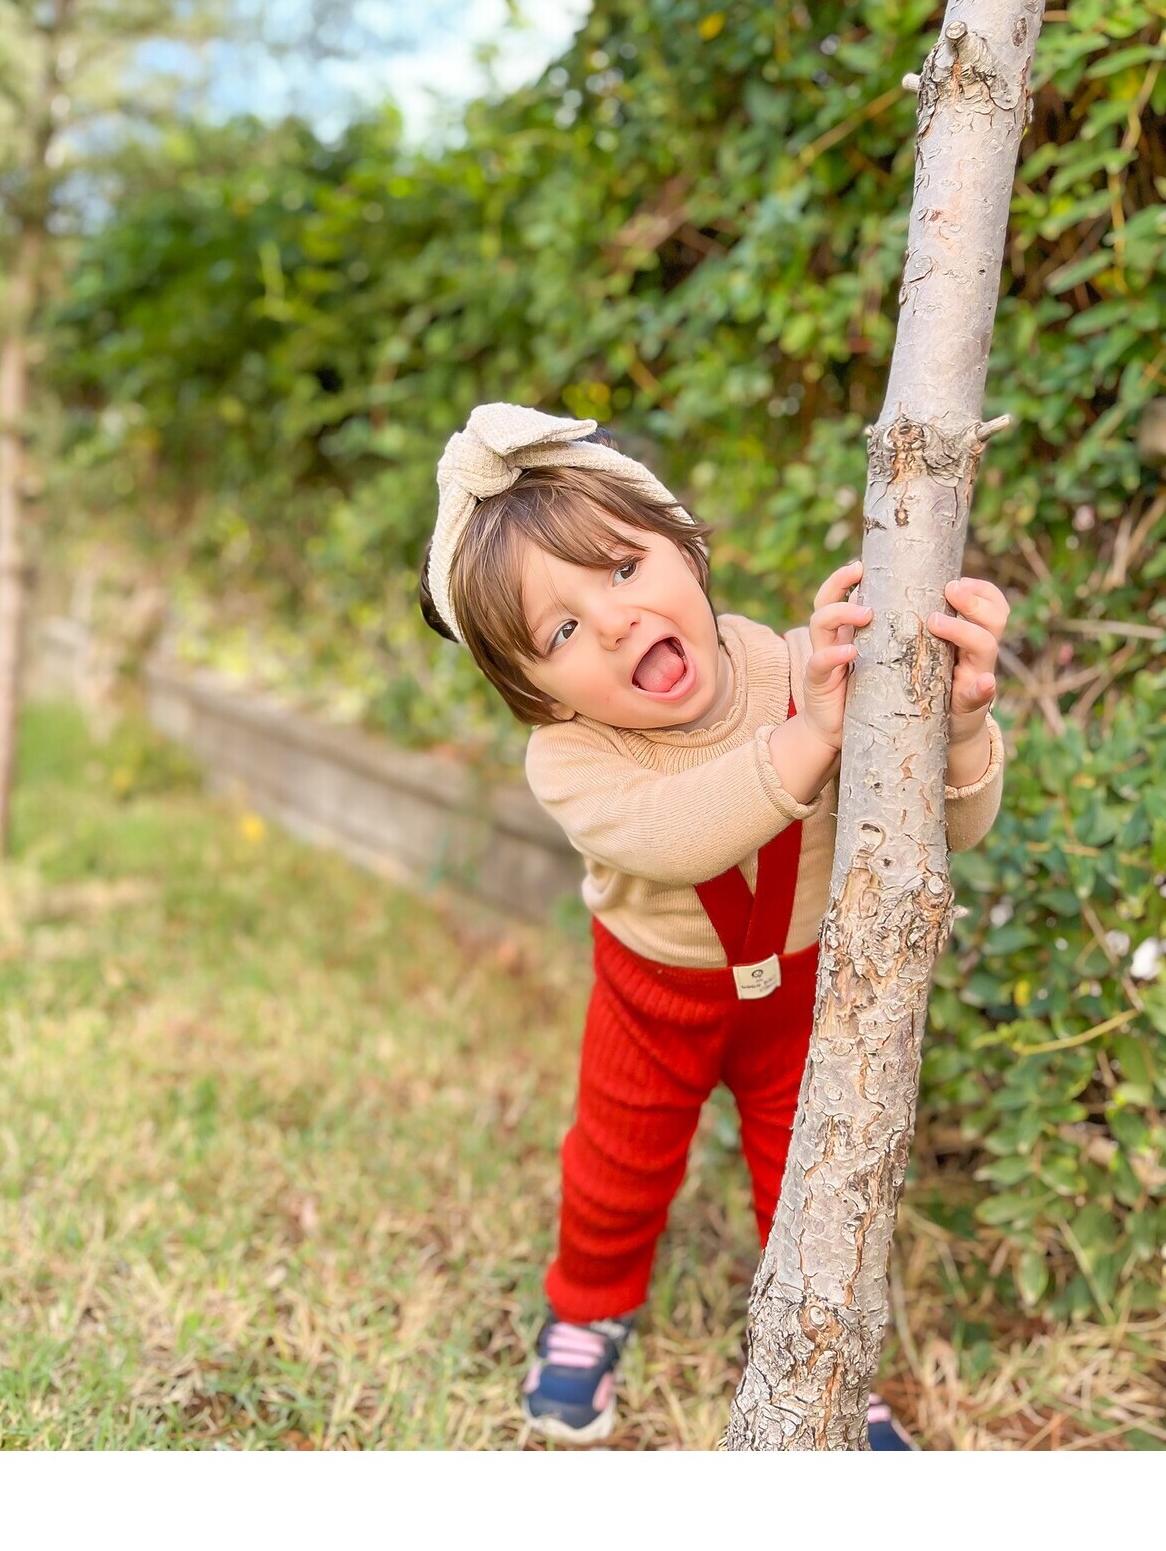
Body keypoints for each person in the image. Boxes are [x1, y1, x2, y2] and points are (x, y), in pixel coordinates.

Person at [420, 403, 1007, 1449]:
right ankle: (587, 1306)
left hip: (805, 995)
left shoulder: (805, 669)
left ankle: (825, 1359)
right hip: (656, 996)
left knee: (814, 1176)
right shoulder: (574, 759)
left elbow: (947, 823)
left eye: (621, 568)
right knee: (619, 1161)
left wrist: (952, 722)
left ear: (685, 548)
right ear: (538, 695)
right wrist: (814, 737)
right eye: (558, 634)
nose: (610, 621)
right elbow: (678, 833)